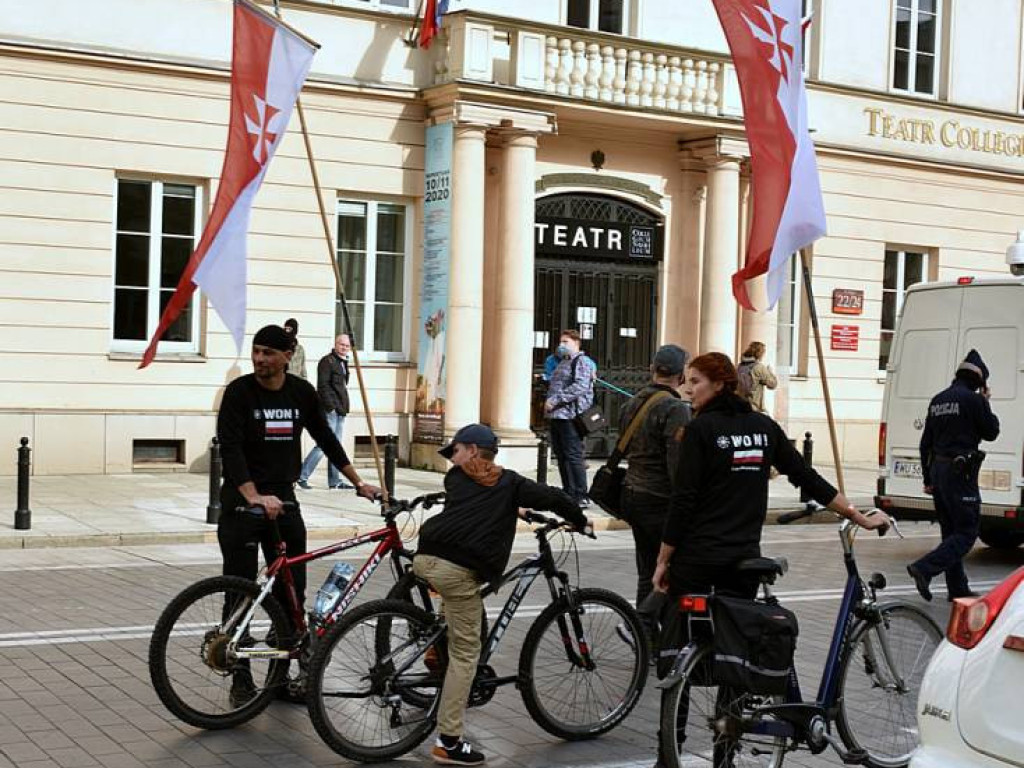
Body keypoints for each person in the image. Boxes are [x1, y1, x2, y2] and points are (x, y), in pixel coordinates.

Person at [650, 352, 889, 767]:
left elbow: (683, 501)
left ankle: (665, 755)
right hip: (742, 560)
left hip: (699, 560)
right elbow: (805, 476)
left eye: (696, 382)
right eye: (687, 381)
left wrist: (663, 558)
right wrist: (855, 514)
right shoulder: (763, 428)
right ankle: (725, 755)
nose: (688, 390)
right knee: (733, 656)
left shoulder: (700, 430)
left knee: (678, 651)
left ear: (720, 384)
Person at [217, 325, 380, 705]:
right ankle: (240, 678)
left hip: (285, 502)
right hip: (242, 504)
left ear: (288, 355)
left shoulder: (300, 393)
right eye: (256, 352)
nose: (260, 359)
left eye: (268, 353)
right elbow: (230, 447)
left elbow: (326, 438)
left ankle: (282, 675)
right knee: (240, 591)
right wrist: (254, 495)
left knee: (292, 592)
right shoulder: (240, 392)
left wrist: (358, 482)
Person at [414, 423, 591, 765]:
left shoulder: (456, 480)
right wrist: (579, 519)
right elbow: (552, 497)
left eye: (456, 450)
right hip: (457, 567)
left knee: (458, 600)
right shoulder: (510, 483)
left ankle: (438, 652)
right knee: (467, 654)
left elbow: (477, 498)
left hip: (425, 557)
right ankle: (448, 742)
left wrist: (515, 508)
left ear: (474, 452)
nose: (453, 458)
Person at [908, 349, 1000, 602]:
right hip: (961, 474)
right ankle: (924, 568)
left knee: (951, 532)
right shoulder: (974, 400)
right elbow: (992, 431)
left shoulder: (938, 400)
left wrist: (927, 479)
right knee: (968, 531)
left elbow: (925, 443)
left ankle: (957, 588)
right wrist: (986, 402)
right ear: (979, 381)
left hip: (939, 471)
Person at [619, 344, 691, 639]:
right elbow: (677, 466)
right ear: (681, 375)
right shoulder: (675, 409)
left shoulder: (632, 402)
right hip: (659, 500)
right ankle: (648, 627)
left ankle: (644, 635)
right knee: (670, 569)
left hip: (632, 493)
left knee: (647, 568)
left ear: (653, 369)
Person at [545, 329, 597, 506]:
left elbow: (580, 386)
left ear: (576, 343)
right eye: (561, 342)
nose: (562, 345)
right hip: (557, 415)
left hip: (571, 416)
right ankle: (569, 490)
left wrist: (555, 399)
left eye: (565, 342)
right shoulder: (564, 362)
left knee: (573, 455)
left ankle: (581, 494)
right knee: (561, 455)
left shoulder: (581, 361)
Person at [298, 334, 353, 490]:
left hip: (341, 409)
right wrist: (331, 407)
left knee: (335, 447)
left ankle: (334, 480)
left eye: (347, 346)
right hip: (331, 410)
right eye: (341, 344)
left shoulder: (343, 362)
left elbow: (342, 386)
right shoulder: (327, 361)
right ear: (335, 344)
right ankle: (302, 475)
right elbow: (322, 386)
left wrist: (342, 408)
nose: (344, 348)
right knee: (324, 445)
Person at [736, 340, 777, 413]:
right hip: (754, 407)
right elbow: (772, 385)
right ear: (760, 354)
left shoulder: (740, 366)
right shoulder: (759, 367)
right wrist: (770, 372)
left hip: (739, 407)